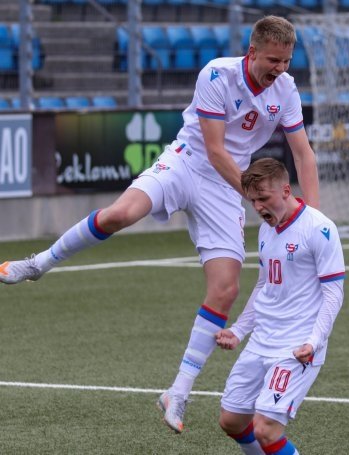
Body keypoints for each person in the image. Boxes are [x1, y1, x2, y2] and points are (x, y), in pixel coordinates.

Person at [0, 16, 319, 434]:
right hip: (187, 163)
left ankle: (178, 392)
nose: (280, 68)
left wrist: (311, 221)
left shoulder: (287, 89)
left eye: (287, 61)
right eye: (274, 60)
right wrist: (255, 194)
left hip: (227, 188)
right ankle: (39, 263)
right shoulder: (217, 74)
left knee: (226, 288)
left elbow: (304, 154)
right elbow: (214, 148)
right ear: (252, 52)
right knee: (119, 214)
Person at [215, 158, 345, 455]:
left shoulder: (319, 228)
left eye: (264, 198)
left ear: (286, 190)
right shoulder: (266, 230)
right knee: (232, 421)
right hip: (262, 339)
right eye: (253, 201)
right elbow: (264, 286)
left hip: (297, 345)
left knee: (266, 430)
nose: (258, 207)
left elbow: (334, 293)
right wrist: (238, 330)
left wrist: (314, 341)